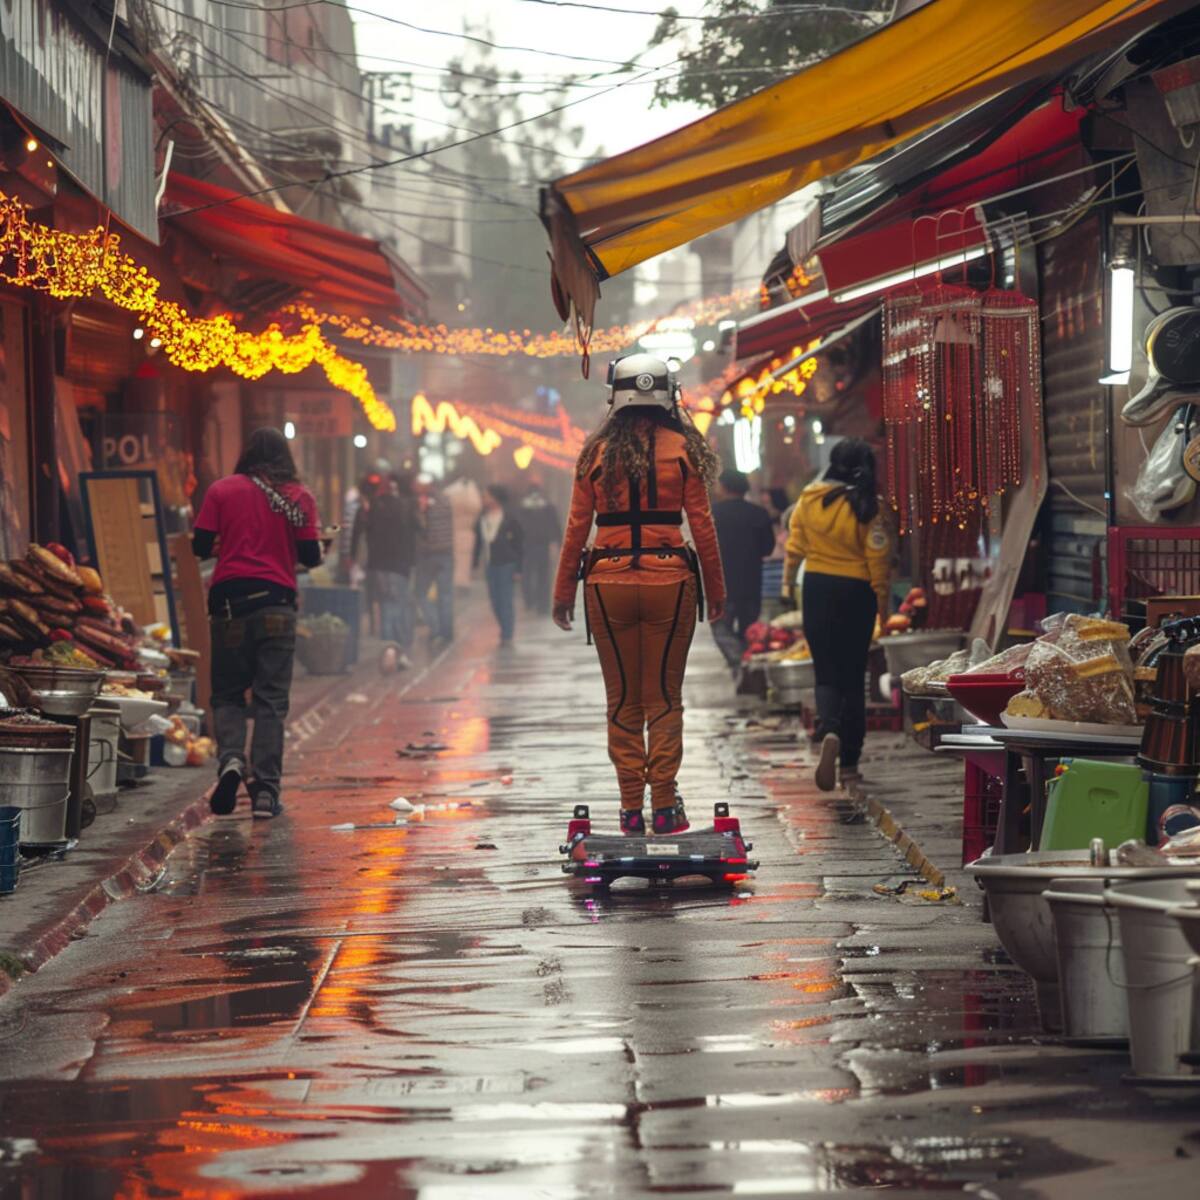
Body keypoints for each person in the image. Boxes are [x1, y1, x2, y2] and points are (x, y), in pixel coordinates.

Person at [553, 353, 725, 836]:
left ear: (616, 398)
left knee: (624, 698)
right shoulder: (681, 449)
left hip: (607, 584)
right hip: (671, 583)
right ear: (669, 397)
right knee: (665, 697)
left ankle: (631, 808)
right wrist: (717, 590)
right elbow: (703, 527)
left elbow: (575, 529)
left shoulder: (595, 454)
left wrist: (563, 591)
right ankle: (666, 807)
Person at [192, 427, 322, 818]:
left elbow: (200, 546)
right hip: (277, 607)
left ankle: (232, 759)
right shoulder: (298, 497)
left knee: (228, 693)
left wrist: (230, 541)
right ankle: (265, 792)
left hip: (230, 606)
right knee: (270, 701)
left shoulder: (221, 491)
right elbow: (311, 555)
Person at [782, 438, 891, 793]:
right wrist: (884, 607)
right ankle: (850, 765)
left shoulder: (809, 499)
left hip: (816, 588)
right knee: (853, 678)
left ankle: (828, 728)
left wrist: (787, 585)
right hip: (856, 593)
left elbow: (794, 545)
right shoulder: (867, 505)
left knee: (826, 673)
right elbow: (878, 560)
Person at [710, 468, 776, 669]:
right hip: (751, 584)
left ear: (724, 487)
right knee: (750, 630)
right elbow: (768, 548)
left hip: (721, 585)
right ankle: (747, 664)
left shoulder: (712, 513)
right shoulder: (759, 514)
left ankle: (740, 662)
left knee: (721, 628)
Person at [352, 473, 418, 666]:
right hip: (400, 566)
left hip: (378, 565)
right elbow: (417, 531)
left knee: (387, 606)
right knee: (397, 606)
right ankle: (394, 652)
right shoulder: (405, 507)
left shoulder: (370, 507)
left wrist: (351, 557)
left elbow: (357, 532)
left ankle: (390, 650)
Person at [473, 484, 523, 644]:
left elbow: (519, 544)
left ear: (495, 498)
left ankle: (507, 634)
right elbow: (478, 543)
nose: (483, 499)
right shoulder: (482, 519)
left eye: (486, 496)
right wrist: (474, 563)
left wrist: (519, 568)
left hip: (506, 564)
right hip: (490, 565)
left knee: (505, 600)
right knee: (495, 601)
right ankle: (504, 627)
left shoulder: (509, 518)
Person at [414, 476, 455, 644]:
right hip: (447, 553)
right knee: (445, 594)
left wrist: (421, 511)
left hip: (429, 555)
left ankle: (436, 628)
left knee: (421, 592)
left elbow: (421, 526)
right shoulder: (446, 501)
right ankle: (447, 631)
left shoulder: (425, 503)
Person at [516, 476, 562, 616]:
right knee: (543, 575)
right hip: (543, 544)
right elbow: (555, 526)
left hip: (527, 545)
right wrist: (557, 542)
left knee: (527, 574)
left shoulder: (522, 507)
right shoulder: (548, 505)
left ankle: (530, 600)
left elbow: (517, 527)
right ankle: (543, 605)